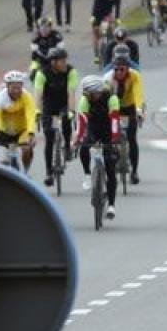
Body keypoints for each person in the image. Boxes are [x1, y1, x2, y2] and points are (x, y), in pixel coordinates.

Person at [75, 74, 123, 222]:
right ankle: (87, 174)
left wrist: (115, 140)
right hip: (93, 128)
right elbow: (82, 122)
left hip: (109, 130)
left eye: (89, 93)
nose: (86, 96)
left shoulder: (111, 99)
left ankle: (111, 205)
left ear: (97, 91)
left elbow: (114, 121)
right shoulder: (84, 100)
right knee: (84, 148)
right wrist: (77, 139)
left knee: (110, 168)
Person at [34, 47, 79, 186]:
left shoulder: (71, 71)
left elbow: (71, 93)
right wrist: (37, 111)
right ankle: (48, 172)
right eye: (62, 61)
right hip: (49, 106)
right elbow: (38, 94)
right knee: (49, 138)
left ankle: (67, 147)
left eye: (66, 60)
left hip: (64, 104)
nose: (65, 63)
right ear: (53, 62)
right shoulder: (42, 73)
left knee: (66, 120)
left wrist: (71, 111)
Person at [104, 51, 145, 185]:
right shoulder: (108, 78)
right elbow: (104, 98)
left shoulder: (134, 76)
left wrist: (139, 110)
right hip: (114, 107)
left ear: (128, 68)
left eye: (122, 69)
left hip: (130, 107)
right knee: (111, 137)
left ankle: (134, 172)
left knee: (132, 138)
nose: (119, 72)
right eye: (116, 69)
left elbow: (138, 94)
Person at [0, 70, 38, 171]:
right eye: (13, 88)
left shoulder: (27, 97)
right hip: (5, 133)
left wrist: (31, 133)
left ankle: (25, 171)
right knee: (3, 163)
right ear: (7, 86)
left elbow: (30, 116)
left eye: (19, 88)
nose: (16, 91)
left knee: (26, 149)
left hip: (22, 131)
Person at [90, 0, 123, 64]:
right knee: (96, 34)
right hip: (97, 14)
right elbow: (96, 3)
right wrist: (93, 16)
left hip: (107, 15)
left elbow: (118, 6)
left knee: (112, 29)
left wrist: (117, 18)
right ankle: (96, 55)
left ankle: (112, 48)